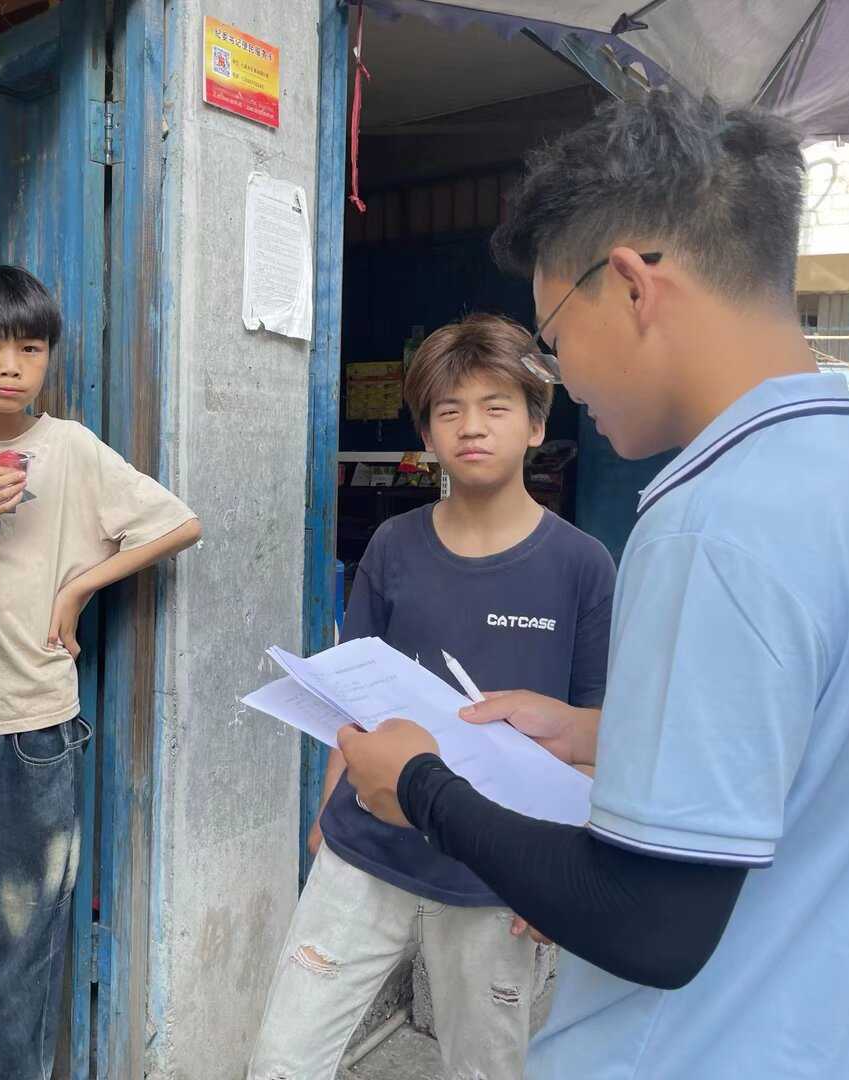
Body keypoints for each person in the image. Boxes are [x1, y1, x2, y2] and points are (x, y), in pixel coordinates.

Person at [337, 91, 849, 1079]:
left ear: (632, 285)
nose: (565, 378)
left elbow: (650, 922)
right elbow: (827, 752)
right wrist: (598, 734)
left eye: (554, 337)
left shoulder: (716, 522)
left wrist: (421, 787)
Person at [247, 315, 615, 1079]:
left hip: (497, 873)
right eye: (449, 411)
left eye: (495, 407)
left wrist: (558, 876)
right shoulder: (394, 545)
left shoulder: (582, 565)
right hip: (365, 851)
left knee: (485, 1068)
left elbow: (595, 728)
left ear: (536, 424)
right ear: (426, 432)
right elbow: (351, 698)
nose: (471, 427)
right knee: (284, 1059)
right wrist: (326, 819)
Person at [0, 265, 202, 1080]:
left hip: (36, 730)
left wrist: (81, 585)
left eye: (30, 349)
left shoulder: (70, 447)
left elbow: (178, 523)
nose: (11, 366)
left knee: (20, 940)